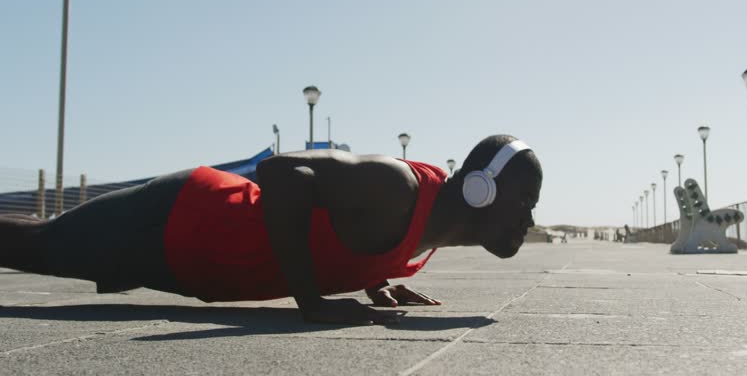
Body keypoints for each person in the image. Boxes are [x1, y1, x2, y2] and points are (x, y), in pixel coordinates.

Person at [0, 135, 542, 325]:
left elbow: (347, 225)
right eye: (525, 201)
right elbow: (282, 172)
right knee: (36, 246)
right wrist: (311, 301)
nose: (529, 220)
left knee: (41, 244)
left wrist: (375, 275)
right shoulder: (395, 185)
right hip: (183, 217)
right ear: (480, 189)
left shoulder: (429, 230)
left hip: (191, 259)